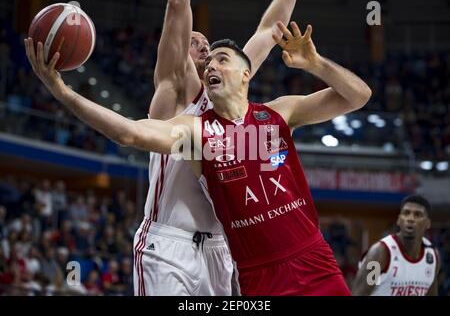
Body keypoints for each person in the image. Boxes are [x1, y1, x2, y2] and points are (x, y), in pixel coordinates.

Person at [24, 18, 372, 295]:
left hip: (312, 259)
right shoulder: (195, 132)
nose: (210, 66)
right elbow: (128, 133)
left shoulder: (279, 113)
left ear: (246, 73)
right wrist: (62, 92)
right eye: (207, 63)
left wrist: (316, 64)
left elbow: (357, 97)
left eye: (222, 59)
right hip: (256, 275)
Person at [136, 0, 298, 296]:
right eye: (194, 41)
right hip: (170, 242)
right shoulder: (171, 95)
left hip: (219, 249)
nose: (204, 47)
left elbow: (268, 30)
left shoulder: (227, 101)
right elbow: (176, 6)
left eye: (209, 46)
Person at [352, 194, 440, 296]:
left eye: (418, 215)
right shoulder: (380, 254)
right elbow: (359, 293)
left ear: (428, 223)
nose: (410, 219)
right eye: (406, 213)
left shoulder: (432, 257)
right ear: (399, 220)